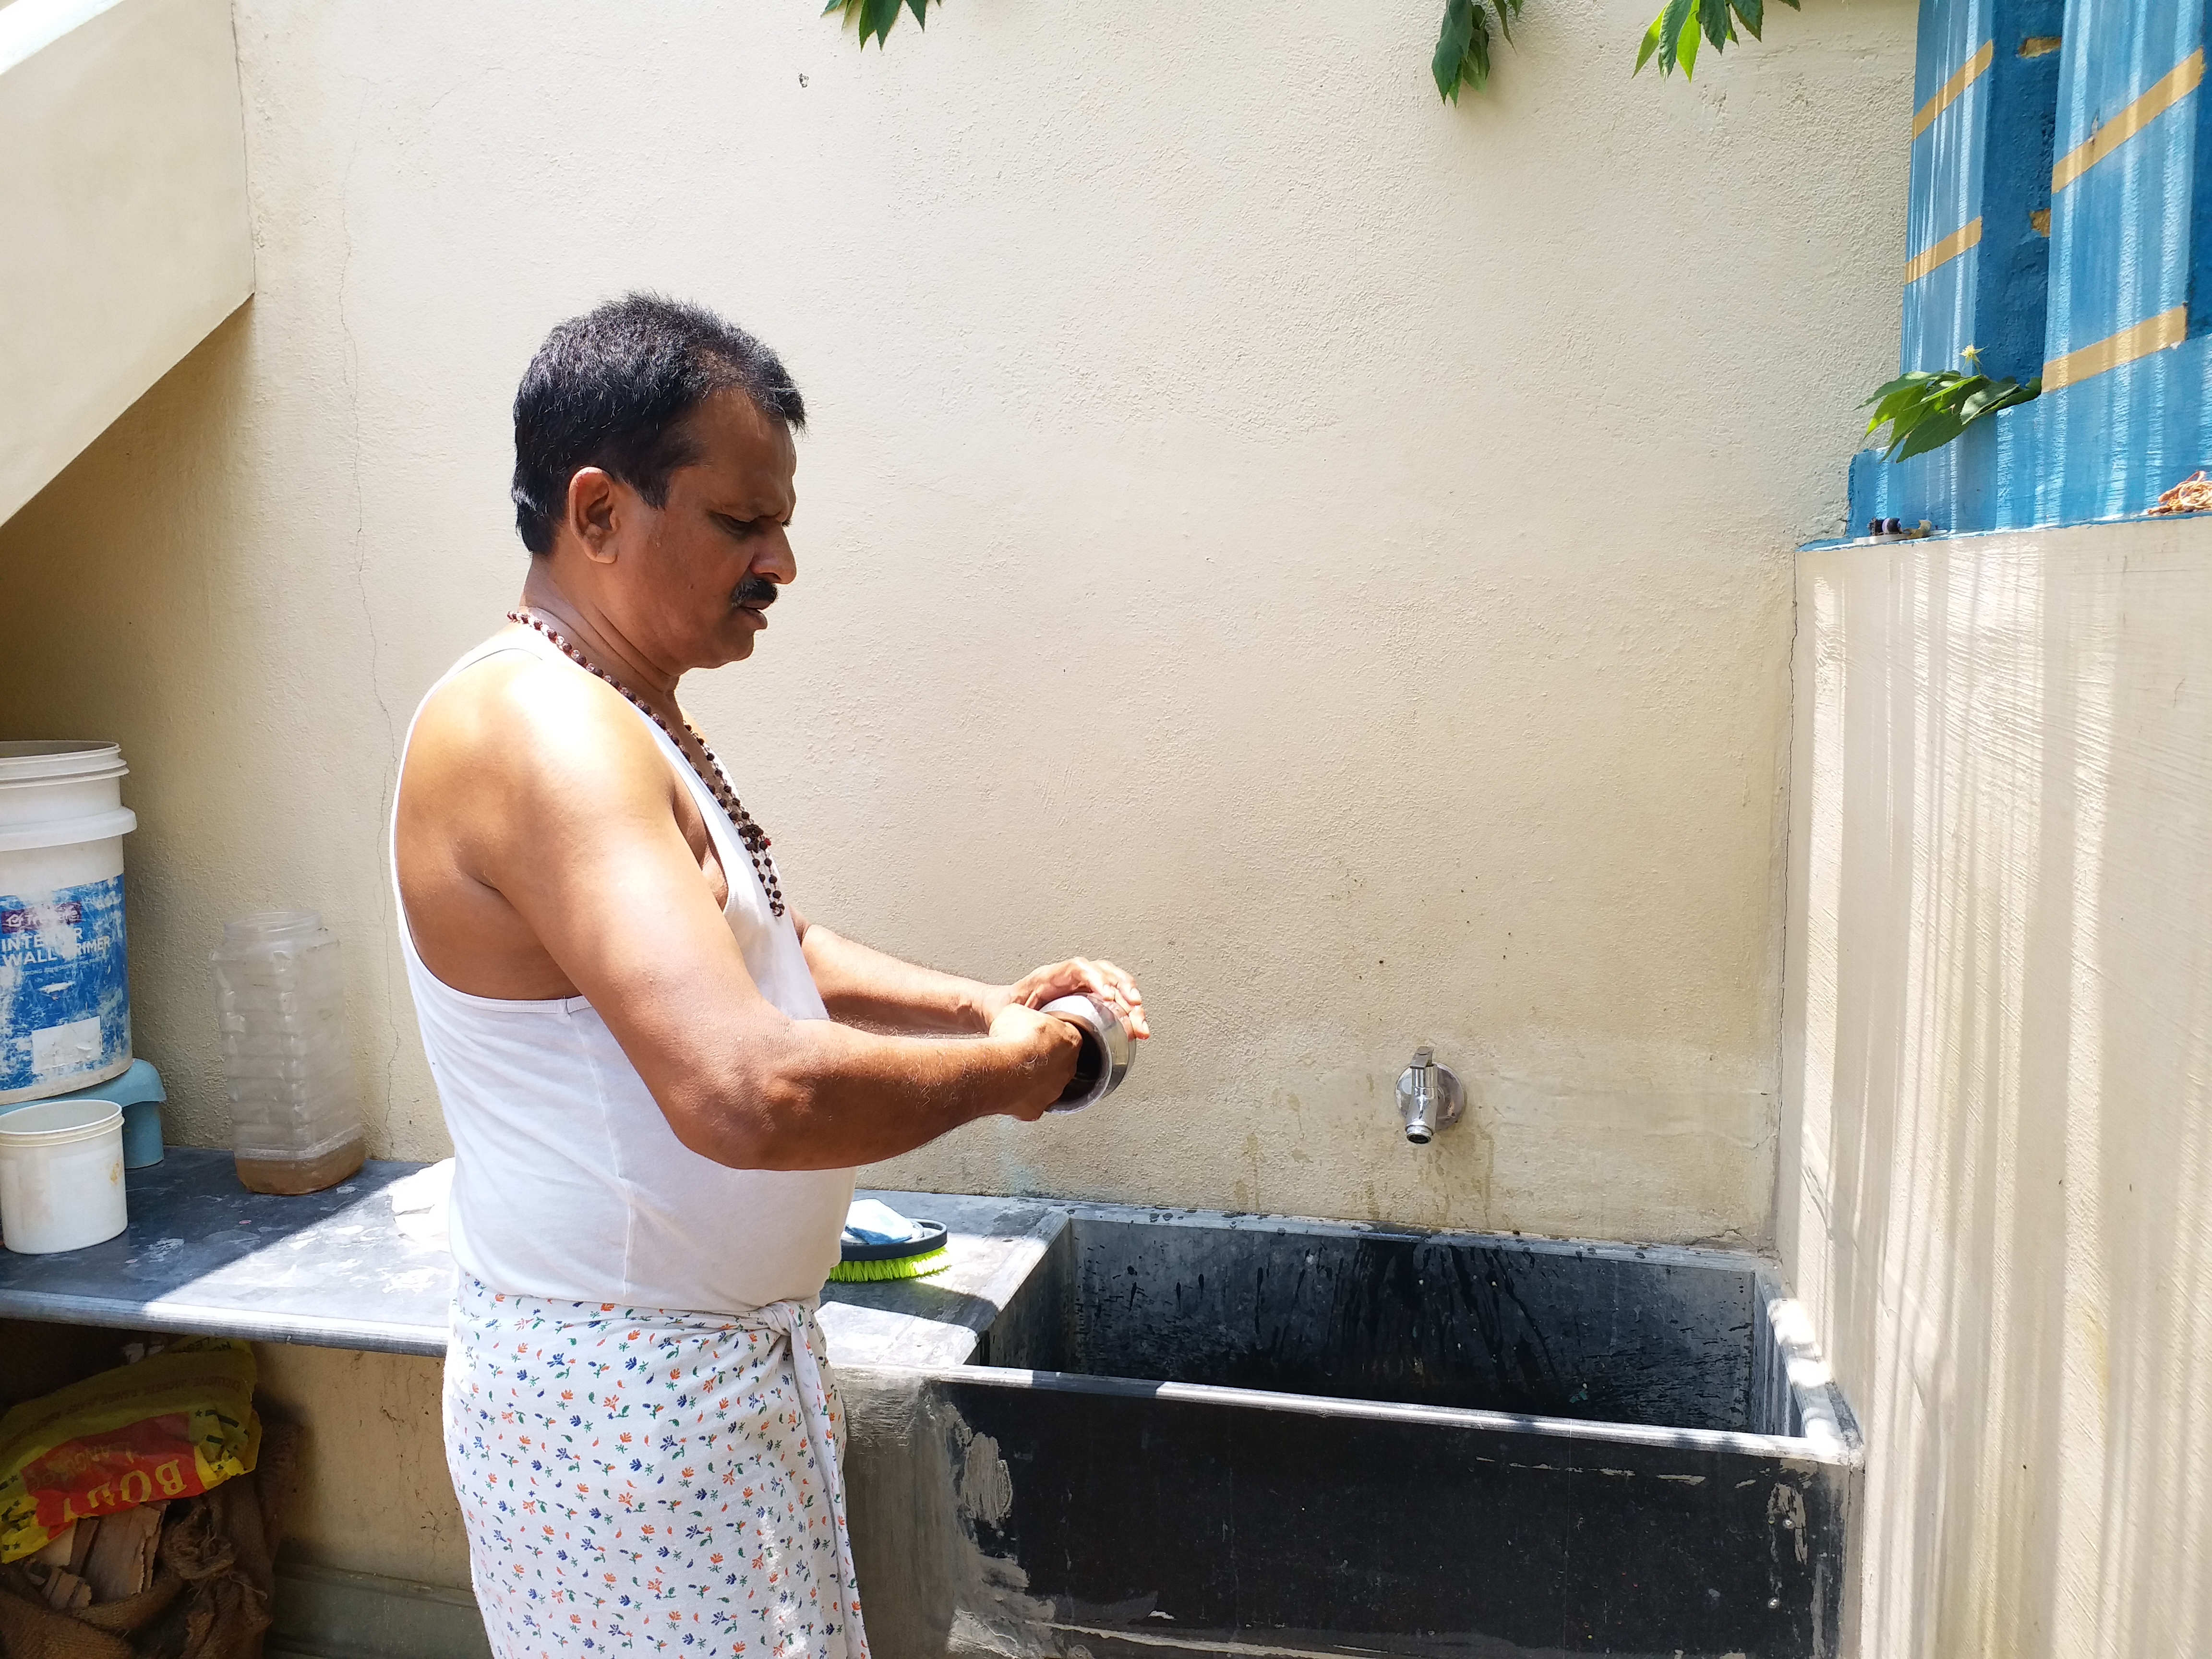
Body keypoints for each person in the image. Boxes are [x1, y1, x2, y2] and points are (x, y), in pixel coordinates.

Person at [390, 292, 1148, 1659]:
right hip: (626, 1416)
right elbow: (741, 1089)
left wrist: (978, 1005)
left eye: (781, 523)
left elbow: (764, 952)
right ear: (599, 511)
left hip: (698, 1389)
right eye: (744, 523)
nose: (784, 561)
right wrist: (1027, 1068)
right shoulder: (540, 731)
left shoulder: (615, 711)